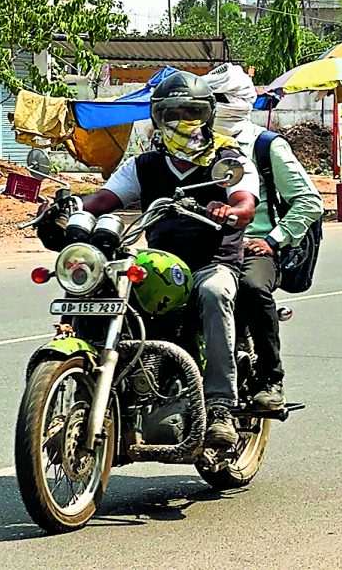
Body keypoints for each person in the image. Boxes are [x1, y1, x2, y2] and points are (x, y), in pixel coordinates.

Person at [76, 71, 259, 447]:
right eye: (171, 114)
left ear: (207, 115)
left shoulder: (228, 159)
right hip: (161, 265)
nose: (181, 122)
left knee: (214, 294)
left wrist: (231, 211)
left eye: (191, 112)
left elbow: (245, 204)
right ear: (158, 118)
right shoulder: (145, 165)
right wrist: (71, 207)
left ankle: (221, 407)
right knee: (109, 288)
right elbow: (104, 199)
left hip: (213, 262)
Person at [202, 63, 323, 412]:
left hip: (251, 245)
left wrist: (272, 240)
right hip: (198, 243)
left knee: (253, 288)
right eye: (208, 98)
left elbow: (309, 201)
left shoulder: (265, 145)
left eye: (219, 98)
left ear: (239, 102)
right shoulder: (191, 144)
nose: (211, 106)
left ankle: (271, 378)